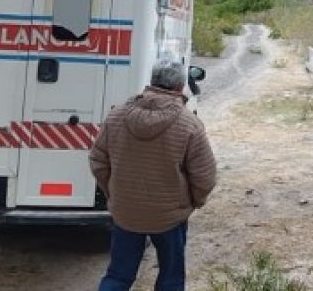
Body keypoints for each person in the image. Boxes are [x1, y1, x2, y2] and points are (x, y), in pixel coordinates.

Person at [90, 61, 217, 291]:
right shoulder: (190, 124)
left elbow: (98, 161)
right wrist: (193, 202)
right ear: (180, 86)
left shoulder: (116, 115)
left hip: (126, 213)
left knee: (118, 276)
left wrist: (113, 193)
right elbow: (204, 177)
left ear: (152, 81)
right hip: (170, 217)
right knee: (171, 280)